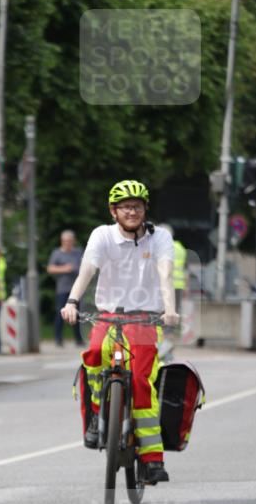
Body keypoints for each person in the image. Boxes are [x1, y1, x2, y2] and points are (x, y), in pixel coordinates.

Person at [61, 179, 178, 485]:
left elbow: (166, 274)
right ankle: (97, 418)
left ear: (145, 209)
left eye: (137, 206)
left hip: (146, 318)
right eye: (125, 207)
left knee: (140, 380)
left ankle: (152, 460)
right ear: (113, 211)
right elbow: (87, 270)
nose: (132, 211)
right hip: (108, 315)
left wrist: (169, 309)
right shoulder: (102, 235)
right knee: (94, 356)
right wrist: (72, 301)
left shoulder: (160, 238)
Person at [47, 230, 84, 347]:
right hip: (63, 289)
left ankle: (79, 339)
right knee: (61, 314)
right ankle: (58, 339)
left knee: (78, 314)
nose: (68, 243)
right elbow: (50, 268)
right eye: (66, 241)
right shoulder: (57, 253)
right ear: (62, 241)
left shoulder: (78, 252)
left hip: (77, 289)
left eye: (70, 241)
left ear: (73, 241)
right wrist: (65, 268)